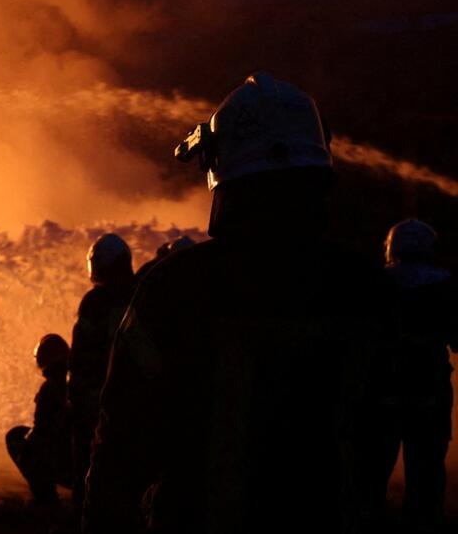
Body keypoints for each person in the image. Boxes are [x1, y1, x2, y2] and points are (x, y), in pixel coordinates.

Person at [83, 72, 392, 533]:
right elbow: (380, 431)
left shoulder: (174, 288)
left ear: (219, 167)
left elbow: (123, 434)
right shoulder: (364, 286)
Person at [364, 219, 458, 530]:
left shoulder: (373, 284)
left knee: (372, 475)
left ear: (392, 246)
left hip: (380, 394)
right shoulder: (446, 285)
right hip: (430, 395)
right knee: (427, 475)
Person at [68, 233, 135, 507]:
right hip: (132, 397)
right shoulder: (143, 294)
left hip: (98, 398)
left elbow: (81, 356)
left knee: (87, 460)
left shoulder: (95, 303)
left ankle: (82, 514)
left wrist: (75, 397)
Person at [7, 333, 73, 504]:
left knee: (16, 437)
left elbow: (42, 432)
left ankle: (46, 498)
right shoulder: (76, 387)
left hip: (62, 464)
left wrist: (25, 453)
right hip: (79, 464)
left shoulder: (49, 389)